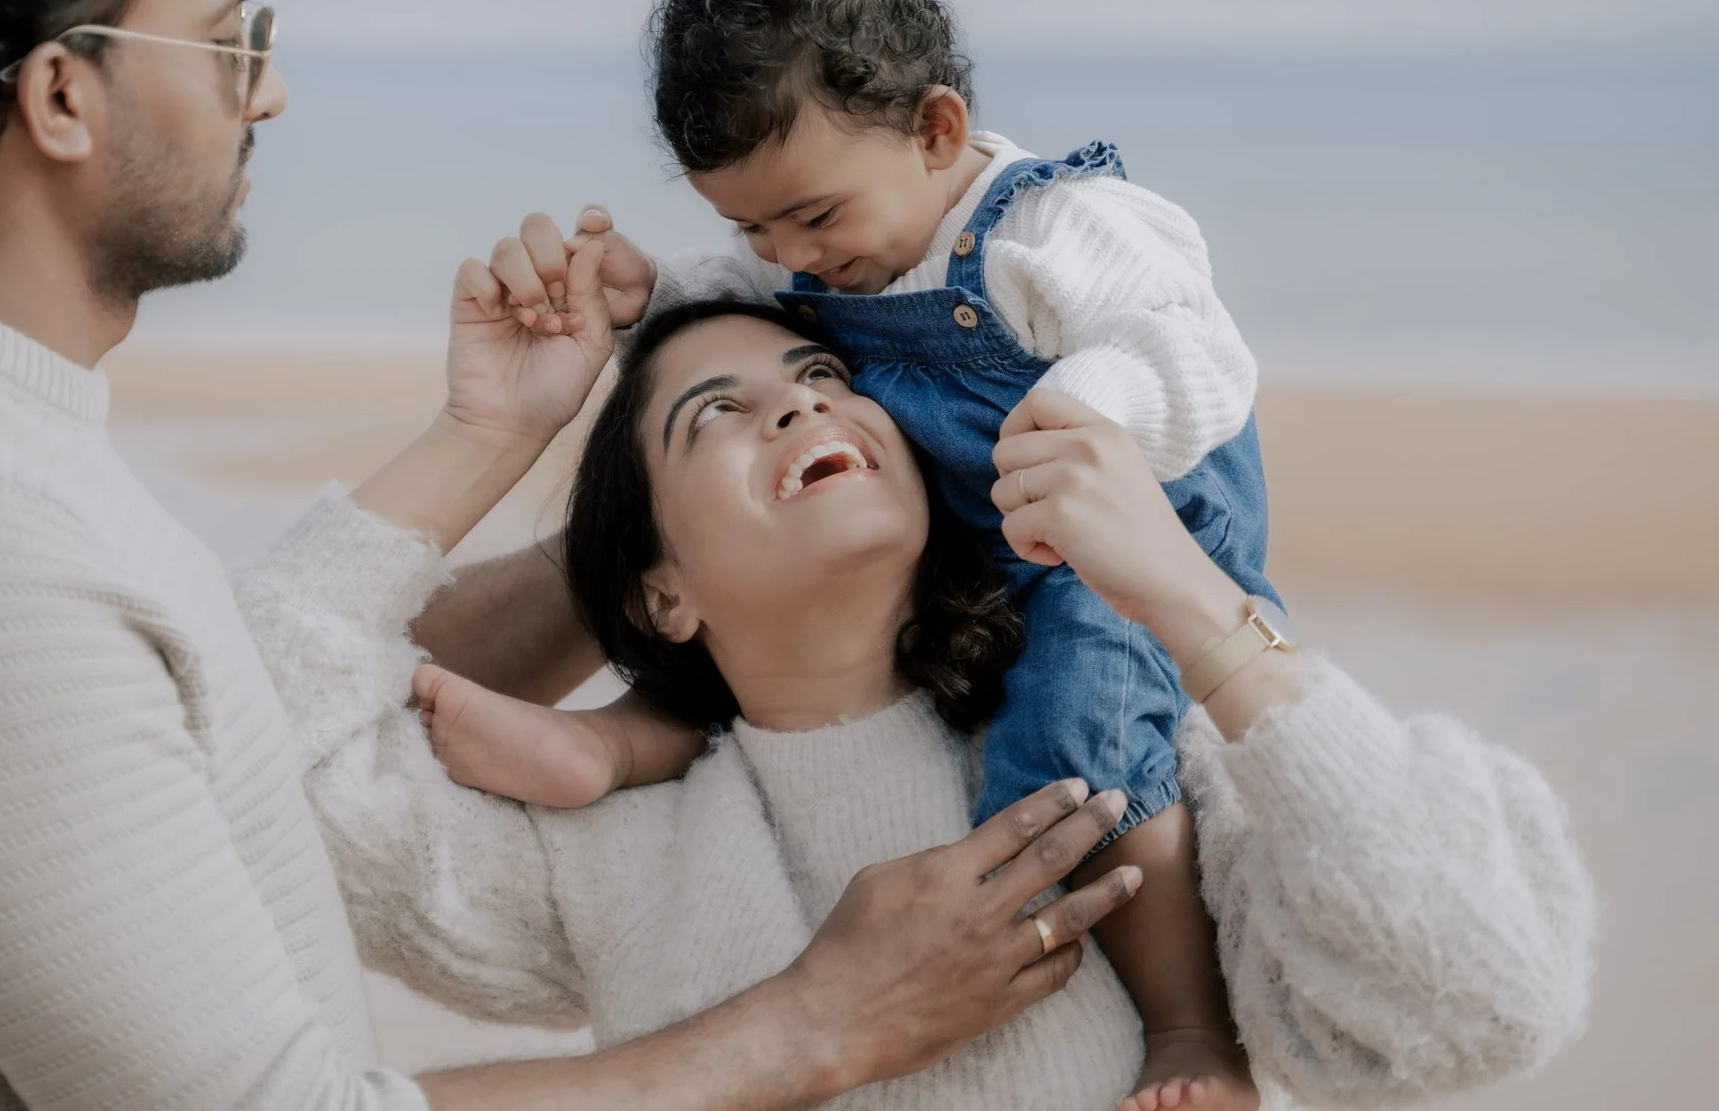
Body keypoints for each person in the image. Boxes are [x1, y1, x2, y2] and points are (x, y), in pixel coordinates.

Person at [0, 0, 1148, 1110]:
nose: (270, 91)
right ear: (63, 96)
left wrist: (510, 439)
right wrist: (821, 1019)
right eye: (227, 39)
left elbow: (222, 738)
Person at [243, 274, 1593, 1110]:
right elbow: (243, 730)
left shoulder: (1123, 761)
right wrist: (490, 429)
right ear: (662, 592)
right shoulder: (610, 853)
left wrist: (1189, 599)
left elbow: (1484, 1001)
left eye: (824, 377)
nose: (797, 410)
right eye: (711, 414)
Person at [409, 0, 1271, 1108]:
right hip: (989, 530)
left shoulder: (1060, 229)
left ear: (936, 131)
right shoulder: (831, 248)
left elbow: (1194, 347)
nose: (791, 257)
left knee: (1074, 745)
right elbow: (746, 304)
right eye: (751, 226)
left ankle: (1187, 1029)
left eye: (810, 219)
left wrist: (1082, 416)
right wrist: (652, 291)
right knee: (795, 662)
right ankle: (610, 742)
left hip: (1112, 545)